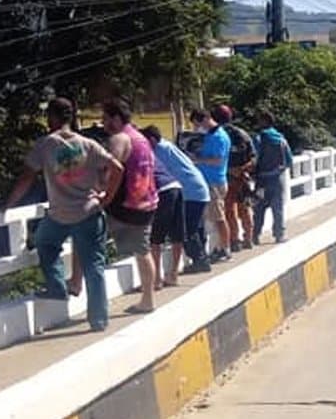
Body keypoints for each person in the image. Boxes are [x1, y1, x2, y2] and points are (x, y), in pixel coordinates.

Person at [5, 97, 123, 332]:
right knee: (94, 267)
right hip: (89, 212)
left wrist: (8, 204)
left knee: (44, 242)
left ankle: (57, 286)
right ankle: (98, 320)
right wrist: (106, 197)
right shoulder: (88, 144)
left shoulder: (45, 144)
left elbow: (27, 177)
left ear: (53, 118)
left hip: (60, 214)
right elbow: (117, 168)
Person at [99, 98, 160, 313]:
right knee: (143, 251)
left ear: (116, 118)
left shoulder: (119, 139)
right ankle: (148, 299)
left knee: (90, 241)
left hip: (125, 206)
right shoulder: (140, 138)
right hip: (146, 202)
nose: (103, 123)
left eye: (105, 118)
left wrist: (104, 196)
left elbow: (111, 170)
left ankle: (88, 294)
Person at [141, 126, 208, 286]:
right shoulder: (167, 145)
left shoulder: (158, 150)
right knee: (182, 232)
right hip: (186, 188)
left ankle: (158, 278)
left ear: (150, 140)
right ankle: (174, 275)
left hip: (185, 190)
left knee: (160, 237)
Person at [191, 107, 235, 261]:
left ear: (204, 119)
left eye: (197, 124)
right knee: (212, 219)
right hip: (209, 181)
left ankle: (225, 249)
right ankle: (218, 247)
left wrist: (198, 160)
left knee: (219, 217)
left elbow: (218, 160)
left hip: (215, 182)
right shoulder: (210, 135)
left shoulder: (219, 137)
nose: (197, 128)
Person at [218, 104, 257, 250]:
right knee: (245, 209)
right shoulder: (243, 134)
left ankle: (234, 240)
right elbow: (254, 158)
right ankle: (248, 238)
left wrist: (232, 170)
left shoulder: (218, 135)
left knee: (230, 210)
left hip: (228, 178)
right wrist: (243, 169)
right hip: (243, 177)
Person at [251, 118, 294, 244]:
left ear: (264, 123)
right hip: (277, 180)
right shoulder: (281, 139)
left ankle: (255, 235)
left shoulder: (258, 139)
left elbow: (254, 158)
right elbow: (289, 160)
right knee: (278, 208)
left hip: (261, 180)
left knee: (259, 208)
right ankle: (279, 235)